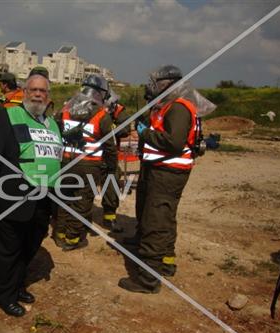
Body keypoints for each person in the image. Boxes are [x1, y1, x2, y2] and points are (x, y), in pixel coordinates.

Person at [0, 72, 63, 317]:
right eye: (33, 90)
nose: (38, 94)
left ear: (48, 97)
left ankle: (16, 286)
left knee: (29, 247)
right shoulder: (7, 114)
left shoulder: (52, 124)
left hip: (42, 202)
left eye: (43, 91)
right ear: (24, 92)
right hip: (11, 197)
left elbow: (55, 161)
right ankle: (4, 296)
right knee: (7, 250)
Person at [119, 65, 200, 294]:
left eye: (155, 83)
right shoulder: (165, 106)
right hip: (157, 169)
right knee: (158, 216)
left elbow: (173, 143)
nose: (151, 87)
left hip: (167, 173)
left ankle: (147, 280)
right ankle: (165, 260)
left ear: (167, 84)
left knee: (157, 220)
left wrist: (145, 133)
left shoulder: (178, 108)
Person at [53, 74, 118, 250]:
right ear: (102, 93)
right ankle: (73, 238)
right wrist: (112, 167)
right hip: (88, 165)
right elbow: (110, 146)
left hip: (65, 162)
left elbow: (56, 130)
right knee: (82, 201)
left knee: (64, 198)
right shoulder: (102, 114)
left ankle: (59, 233)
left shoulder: (66, 108)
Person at [101, 90, 130, 233]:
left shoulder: (118, 109)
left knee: (112, 182)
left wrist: (109, 126)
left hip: (109, 154)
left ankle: (109, 216)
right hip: (89, 154)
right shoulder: (87, 106)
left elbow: (125, 129)